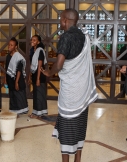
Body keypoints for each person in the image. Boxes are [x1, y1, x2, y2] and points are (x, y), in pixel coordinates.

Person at [41, 9, 98, 162]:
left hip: (71, 93)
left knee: (66, 128)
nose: (60, 21)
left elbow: (59, 65)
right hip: (83, 91)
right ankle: (77, 159)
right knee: (80, 127)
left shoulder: (66, 37)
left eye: (60, 19)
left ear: (65, 20)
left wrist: (49, 73)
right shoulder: (83, 35)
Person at [5, 37, 28, 115]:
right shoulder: (8, 56)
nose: (9, 46)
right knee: (12, 95)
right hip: (10, 79)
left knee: (19, 95)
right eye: (9, 45)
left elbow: (19, 70)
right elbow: (7, 69)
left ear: (16, 47)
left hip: (18, 79)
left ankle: (20, 111)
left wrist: (16, 82)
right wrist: (5, 79)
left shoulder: (18, 57)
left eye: (12, 45)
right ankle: (14, 111)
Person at [28, 35, 48, 118]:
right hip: (34, 74)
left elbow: (40, 64)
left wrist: (38, 78)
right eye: (32, 39)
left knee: (40, 94)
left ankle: (39, 113)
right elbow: (32, 64)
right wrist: (30, 76)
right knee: (36, 94)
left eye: (34, 40)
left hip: (40, 75)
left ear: (38, 42)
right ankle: (36, 112)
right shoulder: (32, 50)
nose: (32, 41)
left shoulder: (40, 51)